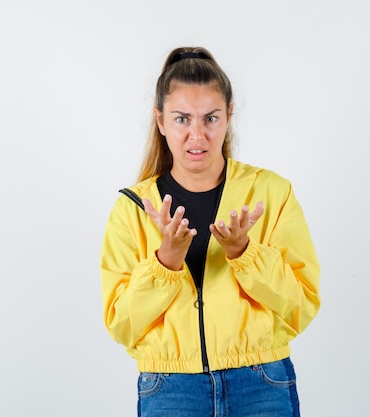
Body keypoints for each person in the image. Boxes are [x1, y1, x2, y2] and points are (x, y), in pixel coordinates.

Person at [100, 46, 320, 417]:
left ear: (228, 117)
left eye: (211, 118)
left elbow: (301, 305)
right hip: (170, 389)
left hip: (261, 382)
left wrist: (244, 253)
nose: (197, 134)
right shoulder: (132, 208)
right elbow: (122, 325)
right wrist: (166, 262)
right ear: (161, 121)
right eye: (182, 119)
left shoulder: (270, 193)